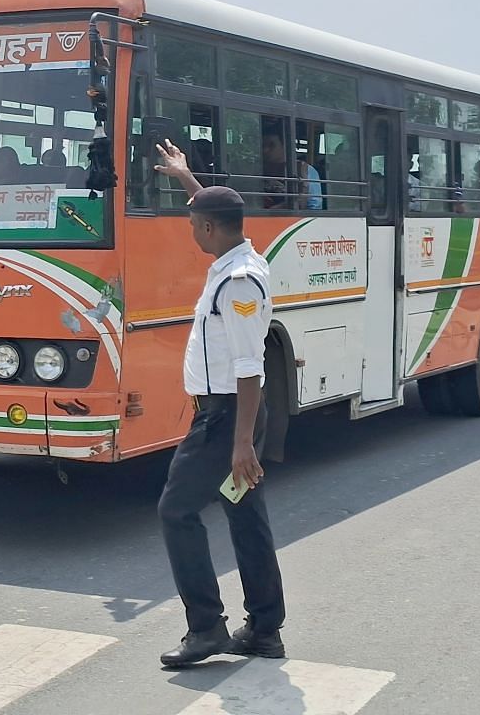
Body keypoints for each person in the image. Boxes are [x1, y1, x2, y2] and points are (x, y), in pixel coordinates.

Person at [150, 140, 286, 668]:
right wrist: (187, 178)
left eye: (193, 225)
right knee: (245, 517)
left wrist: (240, 443)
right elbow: (213, 207)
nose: (192, 232)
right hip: (227, 415)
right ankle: (265, 630)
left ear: (208, 230)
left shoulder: (239, 282)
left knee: (176, 511)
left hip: (227, 416)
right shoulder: (239, 255)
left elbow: (251, 365)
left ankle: (205, 628)